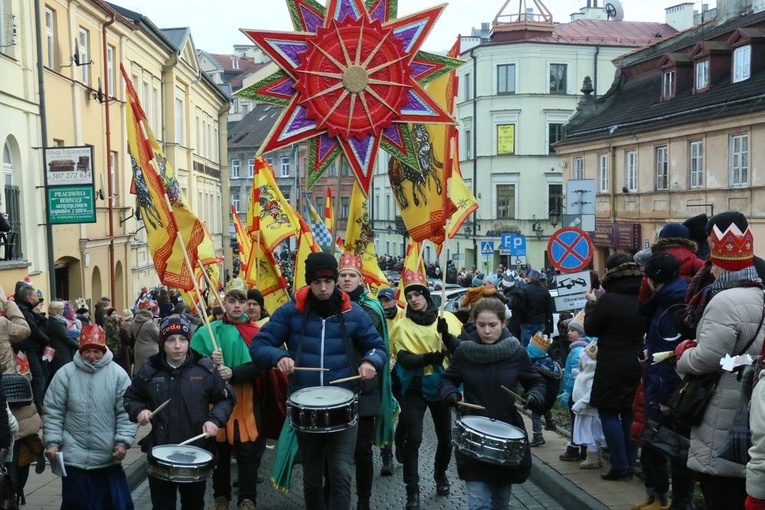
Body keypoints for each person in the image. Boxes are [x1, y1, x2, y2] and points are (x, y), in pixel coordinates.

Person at [250, 252, 387, 510]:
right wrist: (278, 356)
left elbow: (377, 348)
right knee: (312, 477)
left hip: (344, 404)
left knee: (341, 474)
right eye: (316, 283)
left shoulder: (354, 313)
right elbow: (259, 346)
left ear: (335, 281)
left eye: (328, 282)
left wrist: (370, 362)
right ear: (308, 283)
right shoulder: (290, 312)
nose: (323, 288)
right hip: (305, 407)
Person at [675, 218, 764, 509]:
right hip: (752, 402)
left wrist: (684, 354)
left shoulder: (723, 300)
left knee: (720, 491)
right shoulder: (760, 294)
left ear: (720, 265)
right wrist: (737, 361)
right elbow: (749, 358)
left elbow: (710, 359)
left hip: (723, 408)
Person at [438, 297, 546, 510]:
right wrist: (450, 394)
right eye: (481, 325)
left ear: (503, 324)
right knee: (478, 504)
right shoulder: (464, 352)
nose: (487, 331)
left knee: (501, 503)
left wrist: (535, 395)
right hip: (473, 433)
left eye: (493, 325)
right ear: (474, 324)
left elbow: (535, 381)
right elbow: (447, 379)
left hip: (507, 433)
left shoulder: (516, 352)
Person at [124, 316, 234, 510]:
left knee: (193, 505)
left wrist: (214, 421)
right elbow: (131, 398)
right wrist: (140, 411)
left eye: (182, 340)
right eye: (170, 340)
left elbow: (225, 398)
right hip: (160, 450)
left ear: (188, 341)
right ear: (162, 343)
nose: (177, 346)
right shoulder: (150, 369)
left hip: (196, 451)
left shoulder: (204, 368)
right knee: (162, 506)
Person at [389, 268, 462, 509]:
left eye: (418, 294)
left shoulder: (447, 319)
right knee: (414, 438)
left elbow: (460, 352)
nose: (414, 299)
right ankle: (413, 491)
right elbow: (404, 359)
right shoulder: (401, 326)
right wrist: (430, 358)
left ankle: (440, 476)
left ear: (427, 296)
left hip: (441, 387)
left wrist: (447, 336)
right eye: (410, 297)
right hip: (414, 389)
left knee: (445, 439)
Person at [43, 324, 138, 509]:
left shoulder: (118, 375)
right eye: (87, 351)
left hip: (107, 458)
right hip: (74, 457)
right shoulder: (65, 374)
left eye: (96, 351)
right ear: (80, 350)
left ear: (103, 350)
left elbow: (125, 413)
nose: (92, 356)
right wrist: (52, 442)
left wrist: (123, 442)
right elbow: (53, 411)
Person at [190, 281, 267, 510]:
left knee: (248, 453)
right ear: (224, 303)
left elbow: (261, 365)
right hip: (217, 403)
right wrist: (210, 364)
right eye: (231, 301)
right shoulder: (207, 332)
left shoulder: (257, 333)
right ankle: (220, 497)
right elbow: (193, 364)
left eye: (241, 301)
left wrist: (233, 371)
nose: (236, 306)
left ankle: (247, 498)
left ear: (247, 305)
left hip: (246, 401)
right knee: (219, 453)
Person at [337, 253, 396, 508]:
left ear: (361, 279)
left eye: (352, 275)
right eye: (343, 275)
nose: (347, 279)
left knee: (361, 450)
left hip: (365, 386)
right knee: (335, 451)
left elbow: (370, 342)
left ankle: (363, 500)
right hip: (337, 385)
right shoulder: (331, 303)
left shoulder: (370, 308)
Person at [584, 253, 646, 481]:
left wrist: (592, 304)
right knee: (630, 412)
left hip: (611, 361)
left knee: (609, 412)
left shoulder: (608, 299)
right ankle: (630, 463)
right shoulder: (643, 296)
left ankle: (619, 466)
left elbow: (591, 328)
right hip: (637, 359)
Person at [558, 313, 592, 462]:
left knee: (576, 421)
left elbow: (574, 375)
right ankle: (582, 449)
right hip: (578, 392)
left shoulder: (577, 350)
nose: (568, 333)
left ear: (581, 333)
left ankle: (574, 448)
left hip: (576, 393)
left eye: (572, 330)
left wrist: (567, 392)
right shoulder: (579, 348)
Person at [14, 284, 50, 412]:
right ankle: (38, 407)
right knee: (38, 378)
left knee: (40, 376)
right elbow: (33, 329)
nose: (36, 299)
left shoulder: (25, 309)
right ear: (28, 297)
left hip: (32, 348)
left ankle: (39, 404)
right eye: (33, 296)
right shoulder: (22, 309)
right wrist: (46, 340)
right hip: (29, 348)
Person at [571, 340, 605, 469]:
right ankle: (597, 457)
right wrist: (578, 376)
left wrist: (579, 404)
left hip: (589, 412)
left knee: (590, 435)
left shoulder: (591, 377)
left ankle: (592, 458)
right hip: (586, 412)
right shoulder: (587, 375)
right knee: (591, 435)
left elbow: (591, 394)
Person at [526, 332, 561, 446]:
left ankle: (538, 436)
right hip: (551, 394)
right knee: (546, 406)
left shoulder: (537, 368)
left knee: (536, 413)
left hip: (542, 394)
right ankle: (550, 423)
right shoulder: (549, 363)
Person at [515, 270, 555, 347]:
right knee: (538, 346)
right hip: (541, 321)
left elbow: (521, 307)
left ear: (529, 277)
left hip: (527, 321)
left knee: (525, 345)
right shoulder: (545, 290)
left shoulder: (525, 289)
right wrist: (550, 323)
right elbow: (549, 308)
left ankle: (527, 359)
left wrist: (520, 321)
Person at [45, 300, 79, 381]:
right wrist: (78, 345)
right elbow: (66, 337)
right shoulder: (57, 323)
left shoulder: (54, 321)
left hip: (57, 350)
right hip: (60, 352)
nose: (63, 311)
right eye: (62, 309)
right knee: (63, 374)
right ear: (57, 310)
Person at [131, 301, 160, 375]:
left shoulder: (134, 321)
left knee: (140, 369)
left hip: (138, 348)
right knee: (150, 370)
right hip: (150, 350)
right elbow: (158, 336)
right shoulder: (150, 323)